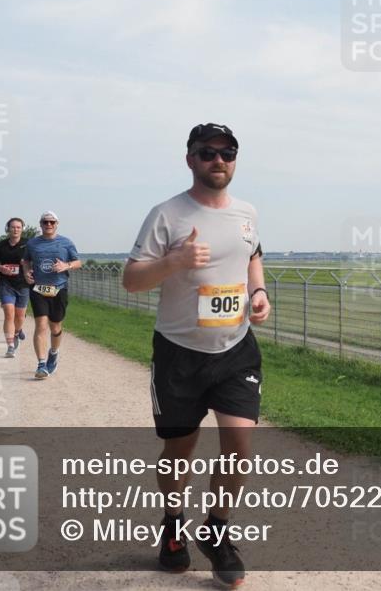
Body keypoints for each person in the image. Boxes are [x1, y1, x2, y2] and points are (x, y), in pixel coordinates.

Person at [123, 123, 270, 587]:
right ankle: (172, 524)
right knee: (179, 452)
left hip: (235, 350)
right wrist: (174, 262)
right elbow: (131, 279)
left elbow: (252, 253)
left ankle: (217, 531)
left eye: (227, 152)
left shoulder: (247, 213)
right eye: (207, 152)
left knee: (239, 450)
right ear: (190, 159)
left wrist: (259, 290)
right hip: (179, 354)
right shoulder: (166, 214)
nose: (218, 160)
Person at [22, 211, 81, 379]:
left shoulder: (66, 243)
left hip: (59, 289)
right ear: (40, 224)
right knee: (40, 325)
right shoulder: (33, 244)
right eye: (45, 222)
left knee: (55, 326)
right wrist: (26, 273)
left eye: (52, 222)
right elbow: (26, 261)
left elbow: (78, 262)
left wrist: (66, 265)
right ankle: (41, 364)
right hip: (39, 289)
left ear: (57, 224)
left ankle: (53, 353)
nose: (48, 225)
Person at [0, 217, 30, 358]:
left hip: (23, 284)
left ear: (22, 229)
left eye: (18, 227)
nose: (15, 229)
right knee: (9, 312)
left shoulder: (28, 244)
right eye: (13, 227)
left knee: (19, 316)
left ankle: (17, 331)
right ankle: (10, 346)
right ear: (8, 229)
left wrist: (26, 263)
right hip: (5, 283)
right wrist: (0, 267)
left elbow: (35, 259)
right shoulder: (1, 246)